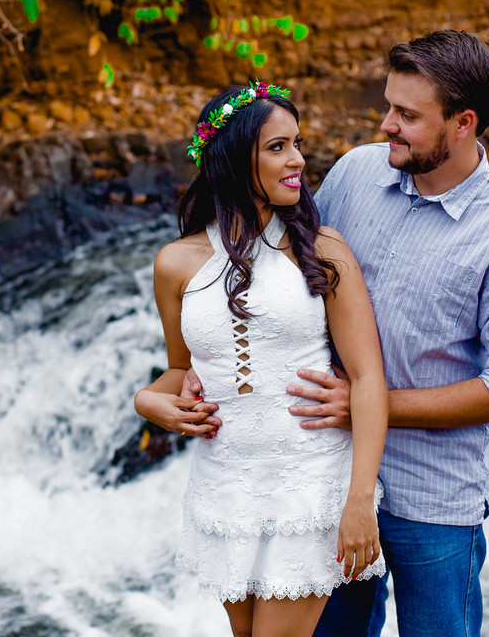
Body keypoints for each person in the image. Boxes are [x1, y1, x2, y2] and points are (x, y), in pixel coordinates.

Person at [172, 31, 489, 637]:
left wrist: (367, 404)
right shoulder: (356, 173)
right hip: (320, 482)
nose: (386, 125)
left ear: (463, 123)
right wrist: (204, 367)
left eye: (408, 115)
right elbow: (278, 274)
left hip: (431, 498)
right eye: (388, 106)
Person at [134, 82, 389, 637]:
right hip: (226, 487)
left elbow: (368, 377)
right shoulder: (175, 264)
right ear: (230, 159)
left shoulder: (322, 249)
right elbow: (181, 370)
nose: (297, 160)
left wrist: (359, 500)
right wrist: (148, 402)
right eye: (278, 147)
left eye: (297, 144)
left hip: (310, 484)